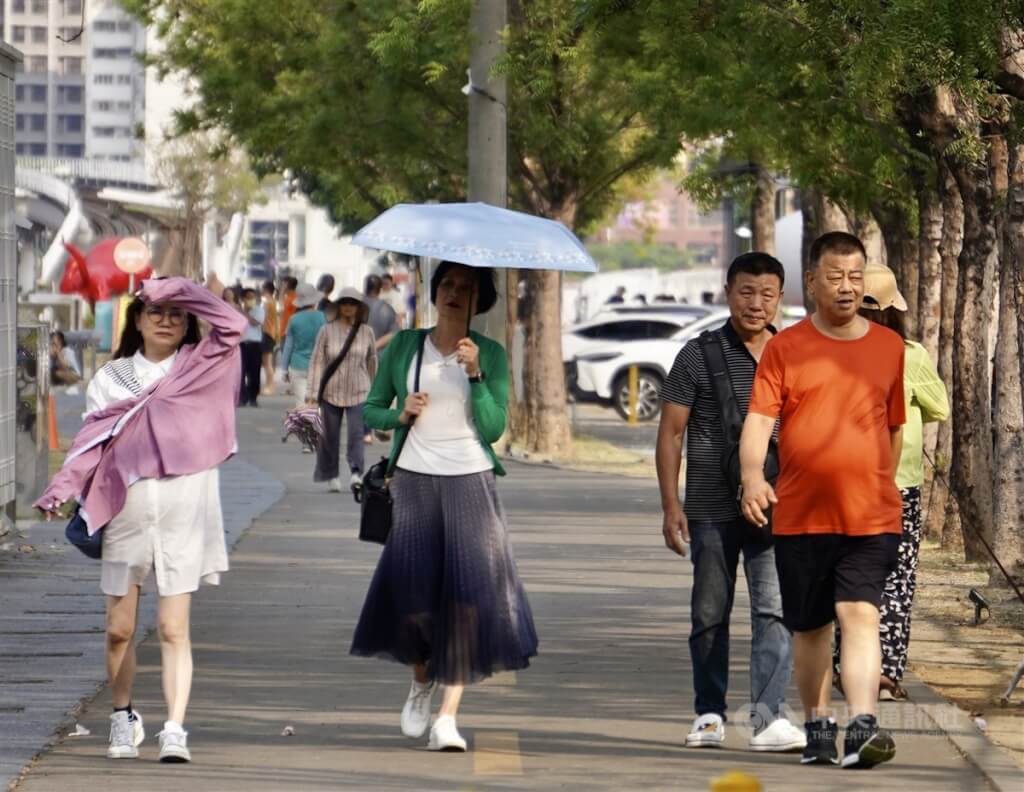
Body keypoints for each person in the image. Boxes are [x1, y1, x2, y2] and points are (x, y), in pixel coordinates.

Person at [35, 276, 248, 764]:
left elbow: (233, 323)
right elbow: (93, 444)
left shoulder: (202, 364)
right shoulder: (112, 379)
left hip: (186, 509)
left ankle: (175, 727)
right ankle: (123, 714)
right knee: (119, 628)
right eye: (155, 311)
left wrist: (177, 287)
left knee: (174, 628)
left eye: (177, 313)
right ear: (136, 319)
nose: (167, 321)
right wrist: (59, 491)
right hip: (125, 509)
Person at [351, 261, 538, 752]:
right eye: (448, 285)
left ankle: (447, 720)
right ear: (435, 293)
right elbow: (372, 409)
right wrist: (398, 413)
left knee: (467, 599)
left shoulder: (490, 354)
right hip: (413, 480)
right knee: (414, 600)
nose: (455, 293)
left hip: (470, 481)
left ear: (481, 299)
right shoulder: (407, 348)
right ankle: (420, 682)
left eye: (466, 287)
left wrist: (475, 375)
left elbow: (495, 427)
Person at [739, 232, 905, 769]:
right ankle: (818, 725)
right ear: (811, 282)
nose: (847, 287)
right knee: (811, 628)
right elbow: (760, 420)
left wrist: (883, 480)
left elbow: (894, 426)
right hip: (802, 516)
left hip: (871, 514)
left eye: (856, 277)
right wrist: (751, 477)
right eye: (835, 277)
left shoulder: (889, 347)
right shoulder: (784, 347)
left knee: (859, 612)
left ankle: (862, 726)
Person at [657, 252, 804, 753]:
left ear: (780, 298)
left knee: (774, 610)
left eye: (767, 294)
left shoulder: (794, 354)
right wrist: (670, 505)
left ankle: (767, 720)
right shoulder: (697, 354)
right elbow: (671, 433)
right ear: (727, 292)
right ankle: (709, 714)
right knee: (709, 612)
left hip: (777, 504)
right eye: (746, 291)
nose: (756, 303)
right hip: (710, 507)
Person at [832, 264, 949, 700]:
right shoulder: (910, 354)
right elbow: (939, 407)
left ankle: (846, 668)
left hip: (843, 480)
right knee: (897, 580)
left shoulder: (835, 349)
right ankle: (884, 674)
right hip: (899, 485)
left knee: (847, 577)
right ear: (895, 310)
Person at [305, 288, 377, 492]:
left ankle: (356, 472)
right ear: (338, 306)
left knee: (356, 434)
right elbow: (317, 361)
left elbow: (372, 361)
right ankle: (331, 475)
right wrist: (312, 392)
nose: (348, 307)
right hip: (331, 391)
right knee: (329, 436)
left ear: (358, 307)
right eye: (344, 303)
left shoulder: (367, 332)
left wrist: (378, 393)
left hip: (359, 390)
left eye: (352, 303)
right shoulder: (326, 330)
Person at [363, 274, 401, 443]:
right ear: (380, 289)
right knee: (378, 392)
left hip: (358, 356)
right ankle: (378, 426)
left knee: (361, 393)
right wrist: (376, 345)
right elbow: (394, 333)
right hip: (381, 356)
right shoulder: (387, 309)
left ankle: (366, 432)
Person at [281, 283, 325, 409]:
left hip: (297, 365)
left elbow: (288, 346)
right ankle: (316, 427)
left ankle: (303, 427)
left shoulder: (294, 319)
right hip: (319, 366)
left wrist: (284, 369)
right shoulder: (323, 317)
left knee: (301, 403)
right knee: (317, 404)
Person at [239, 288, 264, 407]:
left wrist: (245, 313)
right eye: (248, 297)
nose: (251, 300)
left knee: (254, 372)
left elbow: (255, 323)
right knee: (240, 372)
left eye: (253, 297)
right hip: (241, 344)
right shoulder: (237, 311)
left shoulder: (259, 310)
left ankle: (253, 397)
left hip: (255, 344)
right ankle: (242, 397)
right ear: (243, 299)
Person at [260, 280, 279, 396]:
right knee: (268, 362)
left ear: (265, 289)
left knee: (267, 362)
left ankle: (270, 386)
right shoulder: (272, 301)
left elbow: (262, 318)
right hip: (270, 333)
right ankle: (269, 385)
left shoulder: (267, 302)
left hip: (267, 333)